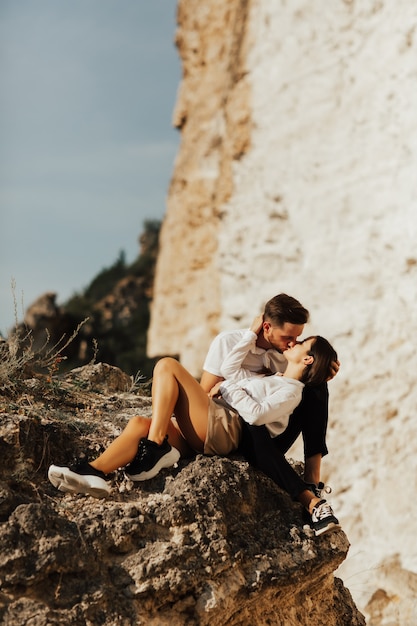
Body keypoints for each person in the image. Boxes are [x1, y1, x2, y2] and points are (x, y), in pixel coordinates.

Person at [48, 319, 340, 535]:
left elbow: (255, 415)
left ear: (306, 358)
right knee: (140, 424)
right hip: (218, 424)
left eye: (300, 342)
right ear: (267, 327)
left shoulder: (291, 390)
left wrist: (228, 390)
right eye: (293, 337)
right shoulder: (271, 371)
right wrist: (247, 343)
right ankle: (94, 472)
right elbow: (229, 371)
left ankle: (155, 447)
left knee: (167, 366)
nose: (293, 342)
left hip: (228, 428)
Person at [200, 293, 339, 494]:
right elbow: (204, 395)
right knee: (252, 420)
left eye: (297, 338)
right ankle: (303, 495)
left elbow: (303, 378)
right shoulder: (228, 342)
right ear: (267, 327)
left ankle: (312, 481)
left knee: (317, 387)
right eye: (287, 337)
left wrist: (323, 370)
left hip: (272, 433)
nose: (292, 343)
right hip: (237, 431)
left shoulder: (287, 355)